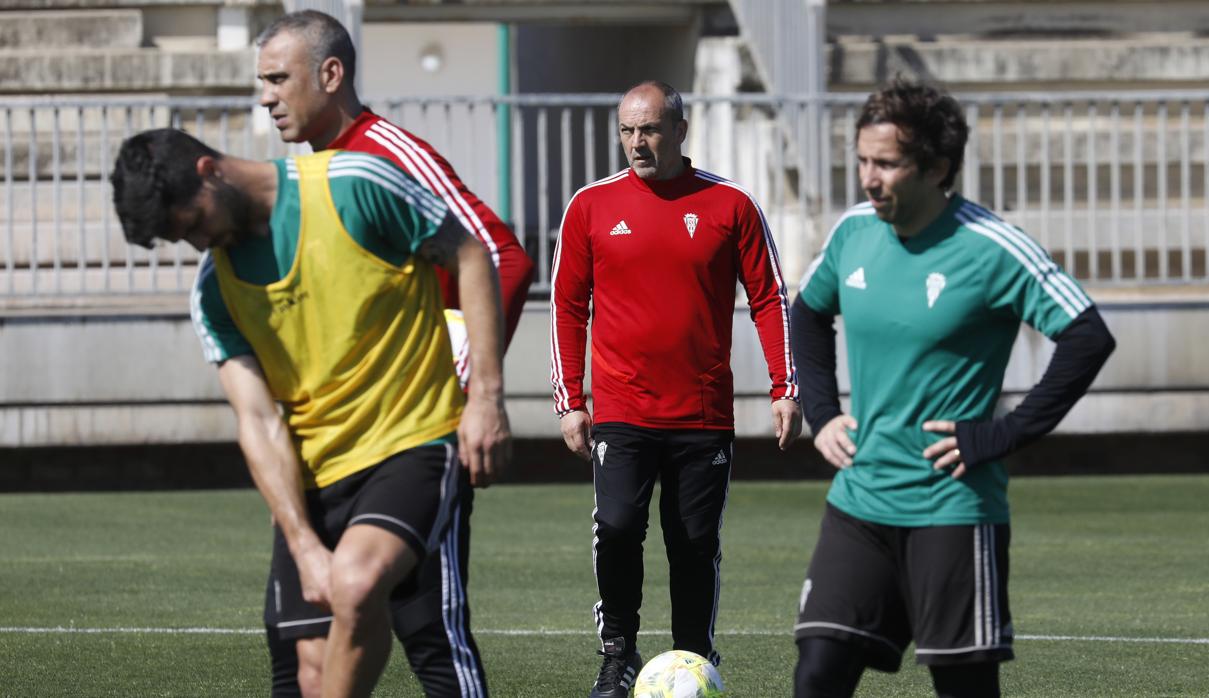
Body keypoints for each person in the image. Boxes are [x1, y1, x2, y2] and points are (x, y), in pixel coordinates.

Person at [110, 128, 511, 698]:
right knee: (309, 674)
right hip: (316, 473)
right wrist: (302, 544)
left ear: (208, 170)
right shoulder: (213, 291)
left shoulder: (353, 184)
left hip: (413, 440)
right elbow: (257, 421)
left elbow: (472, 253)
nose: (199, 242)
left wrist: (487, 397)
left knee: (355, 584)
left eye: (194, 222)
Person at [789, 78, 1116, 698]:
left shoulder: (992, 247)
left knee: (964, 690)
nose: (867, 177)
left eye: (886, 163)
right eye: (861, 159)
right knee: (817, 676)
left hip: (953, 509)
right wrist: (823, 411)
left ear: (936, 167)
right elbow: (807, 312)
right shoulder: (854, 232)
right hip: (860, 502)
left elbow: (1087, 336)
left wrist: (1004, 432)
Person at [252, 11, 535, 696]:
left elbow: (500, 259)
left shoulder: (387, 152)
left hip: (418, 436)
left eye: (277, 79)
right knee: (298, 638)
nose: (266, 97)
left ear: (330, 75)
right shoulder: (310, 171)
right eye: (260, 82)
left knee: (429, 629)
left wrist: (469, 397)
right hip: (342, 443)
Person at [550, 81, 802, 698]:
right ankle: (618, 655)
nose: (638, 142)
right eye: (628, 130)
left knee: (693, 543)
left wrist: (784, 386)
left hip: (701, 411)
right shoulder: (590, 205)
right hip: (621, 408)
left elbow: (769, 296)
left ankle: (694, 658)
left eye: (651, 129)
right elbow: (567, 304)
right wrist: (571, 400)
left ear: (681, 131)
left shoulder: (731, 204)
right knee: (616, 528)